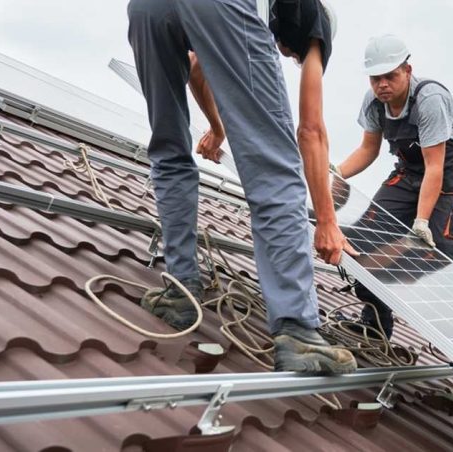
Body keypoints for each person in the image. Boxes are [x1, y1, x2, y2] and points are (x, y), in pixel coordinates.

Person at [126, 0, 356, 374]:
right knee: (276, 166)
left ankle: (181, 290)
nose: (290, 59)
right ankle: (297, 328)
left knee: (169, 149)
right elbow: (310, 131)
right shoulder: (315, 23)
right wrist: (327, 220)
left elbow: (198, 67)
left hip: (147, 9)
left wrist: (218, 130)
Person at [333, 34, 453, 339]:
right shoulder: (373, 102)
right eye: (376, 78)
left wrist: (421, 221)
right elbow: (368, 150)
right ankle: (376, 322)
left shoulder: (430, 99)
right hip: (410, 172)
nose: (382, 84)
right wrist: (337, 172)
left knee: (441, 252)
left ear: (407, 72)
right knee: (361, 239)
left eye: (390, 76)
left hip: (449, 175)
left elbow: (435, 166)